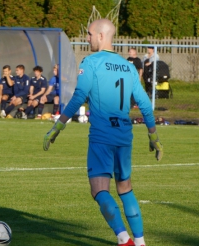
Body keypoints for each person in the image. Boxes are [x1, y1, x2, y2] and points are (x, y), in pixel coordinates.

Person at [43, 19, 163, 246]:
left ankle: (123, 238)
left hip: (101, 135)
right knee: (125, 189)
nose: (87, 38)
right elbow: (145, 106)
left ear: (100, 35)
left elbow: (79, 97)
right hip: (124, 136)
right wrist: (153, 136)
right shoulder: (128, 66)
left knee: (99, 190)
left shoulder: (91, 62)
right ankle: (140, 242)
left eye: (88, 34)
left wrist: (58, 126)